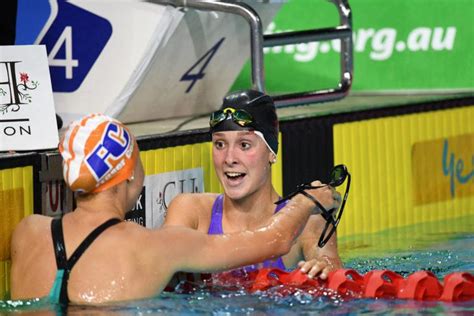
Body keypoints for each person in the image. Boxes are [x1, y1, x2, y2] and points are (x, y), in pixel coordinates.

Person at [10, 113, 329, 305]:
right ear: (130, 173)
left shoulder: (28, 232)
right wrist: (309, 200)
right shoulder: (156, 247)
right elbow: (274, 240)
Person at [164, 90, 343, 280]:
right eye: (220, 144)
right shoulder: (192, 212)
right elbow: (165, 262)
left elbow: (332, 268)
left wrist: (324, 269)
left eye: (244, 145)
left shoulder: (309, 220)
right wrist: (300, 206)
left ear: (271, 153)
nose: (229, 158)